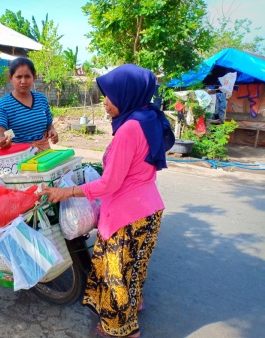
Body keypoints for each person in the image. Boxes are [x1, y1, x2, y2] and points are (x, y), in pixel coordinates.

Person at [39, 64, 175, 338]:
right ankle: (134, 306)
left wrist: (66, 192)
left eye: (110, 95)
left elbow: (109, 184)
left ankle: (121, 331)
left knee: (116, 277)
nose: (105, 101)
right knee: (133, 268)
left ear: (127, 94)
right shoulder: (148, 116)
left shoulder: (128, 130)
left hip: (127, 216)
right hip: (149, 209)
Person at [0, 57, 59, 153]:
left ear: (34, 77)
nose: (23, 81)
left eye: (27, 76)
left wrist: (52, 131)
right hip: (18, 157)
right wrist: (0, 140)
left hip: (44, 154)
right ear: (11, 78)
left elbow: (49, 125)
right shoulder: (4, 104)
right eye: (19, 77)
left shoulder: (41, 100)